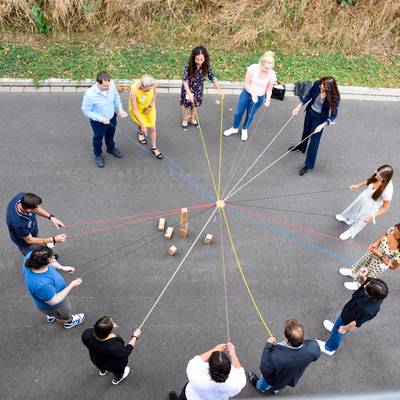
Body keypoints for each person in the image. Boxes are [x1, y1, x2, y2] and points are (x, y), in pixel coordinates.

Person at [317, 271, 388, 356]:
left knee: (339, 333)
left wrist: (344, 328)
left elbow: (357, 322)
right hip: (348, 310)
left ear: (371, 296)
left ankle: (329, 348)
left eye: (366, 288)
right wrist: (362, 277)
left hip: (348, 319)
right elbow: (365, 282)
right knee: (339, 323)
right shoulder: (373, 285)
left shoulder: (368, 311)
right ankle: (334, 329)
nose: (365, 285)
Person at [247, 320, 320, 394]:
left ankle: (261, 388)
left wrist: (268, 346)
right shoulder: (313, 347)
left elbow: (265, 369)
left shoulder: (275, 357)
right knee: (280, 384)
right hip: (289, 378)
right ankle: (275, 390)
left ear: (286, 339)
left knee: (264, 383)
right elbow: (316, 355)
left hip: (274, 379)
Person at [23, 246, 85, 329]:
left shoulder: (31, 256)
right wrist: (72, 285)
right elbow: (54, 301)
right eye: (51, 258)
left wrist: (62, 267)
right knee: (65, 314)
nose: (53, 258)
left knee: (51, 312)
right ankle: (69, 321)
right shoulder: (41, 285)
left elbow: (52, 262)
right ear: (43, 264)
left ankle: (51, 315)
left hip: (46, 298)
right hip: (55, 305)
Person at [290, 77, 340, 176]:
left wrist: (323, 125)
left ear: (330, 88)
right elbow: (308, 96)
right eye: (321, 84)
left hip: (320, 119)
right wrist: (299, 106)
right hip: (310, 112)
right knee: (305, 132)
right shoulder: (317, 84)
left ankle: (308, 165)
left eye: (324, 86)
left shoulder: (335, 97)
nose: (321, 87)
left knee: (314, 141)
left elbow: (334, 115)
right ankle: (301, 147)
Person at [223, 51, 277, 141]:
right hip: (247, 94)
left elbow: (269, 89)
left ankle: (244, 129)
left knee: (250, 114)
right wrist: (253, 93)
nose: (267, 70)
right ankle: (234, 128)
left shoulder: (272, 74)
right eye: (265, 68)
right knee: (239, 112)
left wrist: (268, 100)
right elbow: (246, 83)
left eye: (269, 68)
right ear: (261, 63)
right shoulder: (253, 68)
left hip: (259, 98)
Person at [81, 71, 128, 168]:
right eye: (105, 86)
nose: (108, 88)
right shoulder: (89, 95)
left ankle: (110, 148)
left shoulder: (111, 84)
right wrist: (101, 119)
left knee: (110, 135)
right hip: (98, 123)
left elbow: (116, 97)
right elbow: (85, 110)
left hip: (112, 117)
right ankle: (98, 155)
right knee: (98, 139)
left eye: (109, 85)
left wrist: (120, 110)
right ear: (98, 83)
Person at [169, 343, 246, 400]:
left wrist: (214, 350)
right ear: (229, 368)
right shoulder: (237, 383)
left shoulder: (196, 374)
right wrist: (233, 353)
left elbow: (196, 360)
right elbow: (239, 370)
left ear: (209, 367)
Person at [336, 165, 393, 240]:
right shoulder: (378, 174)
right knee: (354, 207)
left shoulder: (388, 190)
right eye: (377, 174)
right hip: (364, 196)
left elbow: (385, 208)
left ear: (385, 179)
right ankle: (348, 219)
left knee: (361, 220)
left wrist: (373, 216)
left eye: (379, 177)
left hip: (371, 206)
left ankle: (351, 232)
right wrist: (357, 185)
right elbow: (370, 180)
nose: (376, 176)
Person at [81, 316, 141, 385]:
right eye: (112, 324)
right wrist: (135, 336)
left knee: (101, 366)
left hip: (97, 359)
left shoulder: (86, 334)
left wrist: (109, 329)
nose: (114, 324)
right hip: (113, 365)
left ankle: (103, 371)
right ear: (108, 332)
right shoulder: (114, 347)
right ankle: (116, 379)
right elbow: (126, 351)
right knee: (117, 372)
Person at [339, 224, 400, 290]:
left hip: (380, 263)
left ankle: (358, 285)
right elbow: (386, 233)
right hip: (374, 251)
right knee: (361, 262)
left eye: (398, 234)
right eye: (396, 229)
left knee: (369, 273)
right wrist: (376, 243)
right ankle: (353, 272)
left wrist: (380, 256)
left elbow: (393, 267)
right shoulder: (394, 229)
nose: (395, 233)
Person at [180, 46, 224, 131]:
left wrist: (219, 90)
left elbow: (213, 77)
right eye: (197, 60)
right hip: (188, 88)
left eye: (201, 60)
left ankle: (192, 118)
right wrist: (188, 92)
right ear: (193, 58)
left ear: (205, 58)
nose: (199, 62)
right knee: (186, 105)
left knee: (195, 105)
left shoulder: (206, 65)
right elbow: (184, 80)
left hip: (198, 88)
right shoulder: (188, 65)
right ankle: (185, 119)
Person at [128, 74, 163, 159]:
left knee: (152, 127)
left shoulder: (152, 83)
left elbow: (154, 93)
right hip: (138, 110)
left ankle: (154, 148)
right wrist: (143, 125)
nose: (149, 91)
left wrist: (150, 106)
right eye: (147, 90)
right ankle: (140, 133)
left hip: (149, 108)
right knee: (141, 124)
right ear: (142, 87)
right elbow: (135, 111)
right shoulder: (133, 91)